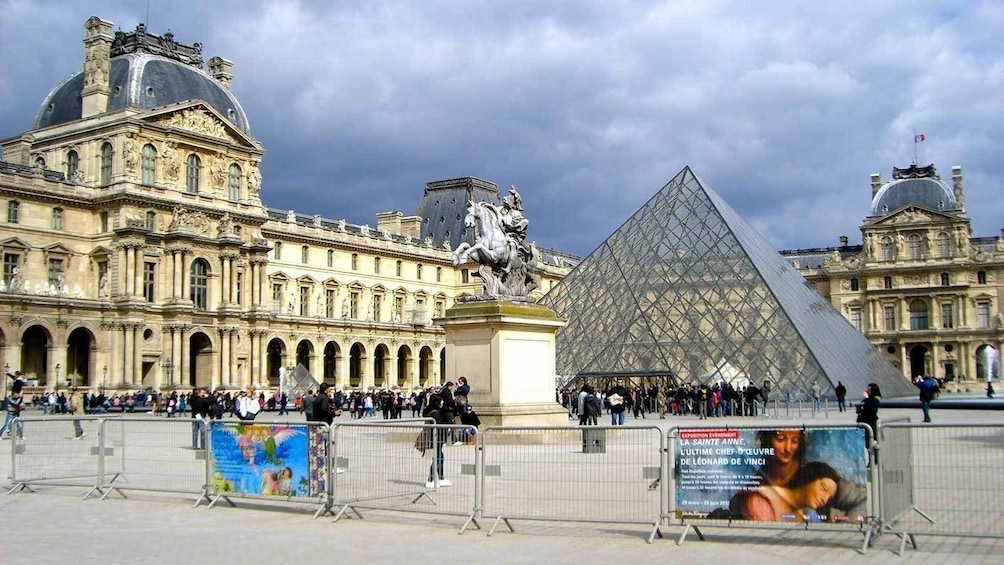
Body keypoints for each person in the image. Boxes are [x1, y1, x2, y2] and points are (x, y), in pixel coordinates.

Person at [731, 462, 843, 522]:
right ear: (810, 477)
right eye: (824, 489)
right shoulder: (760, 498)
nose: (824, 499)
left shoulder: (810, 514)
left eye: (829, 497)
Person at [422, 394, 451, 489]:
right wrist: (448, 424)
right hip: (435, 439)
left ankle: (441, 478)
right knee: (437, 458)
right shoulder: (435, 414)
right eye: (441, 401)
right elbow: (439, 425)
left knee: (440, 457)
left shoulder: (430, 411)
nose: (443, 402)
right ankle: (430, 480)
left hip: (434, 438)